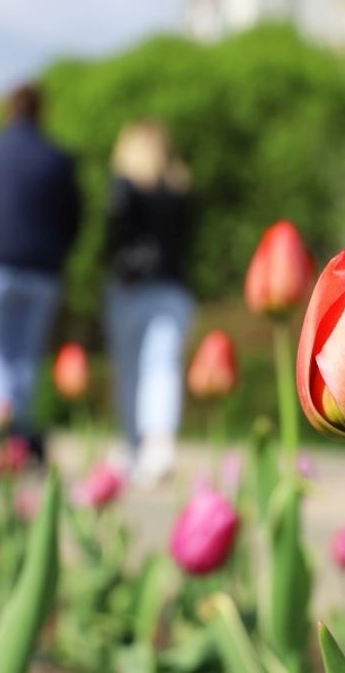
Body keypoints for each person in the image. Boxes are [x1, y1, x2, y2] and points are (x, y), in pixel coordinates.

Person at [0, 84, 80, 459]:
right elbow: (74, 218)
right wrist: (57, 253)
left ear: (6, 109)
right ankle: (18, 431)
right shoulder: (57, 159)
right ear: (41, 111)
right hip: (41, 270)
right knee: (24, 354)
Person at [105, 120, 194, 486]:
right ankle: (160, 447)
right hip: (174, 289)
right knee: (163, 367)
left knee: (131, 370)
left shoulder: (124, 189)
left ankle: (132, 445)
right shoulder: (182, 190)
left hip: (131, 288)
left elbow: (114, 239)